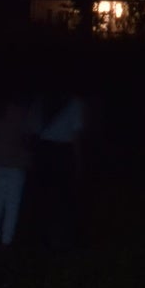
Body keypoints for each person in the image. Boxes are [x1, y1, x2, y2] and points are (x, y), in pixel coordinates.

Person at [0, 95, 39, 248]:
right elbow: (29, 137)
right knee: (11, 206)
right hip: (15, 165)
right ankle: (6, 241)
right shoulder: (21, 113)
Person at [33, 90, 89, 248]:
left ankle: (49, 237)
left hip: (46, 150)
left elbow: (34, 129)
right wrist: (78, 160)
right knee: (62, 196)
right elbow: (76, 134)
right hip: (60, 152)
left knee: (49, 196)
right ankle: (58, 238)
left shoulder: (43, 100)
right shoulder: (73, 102)